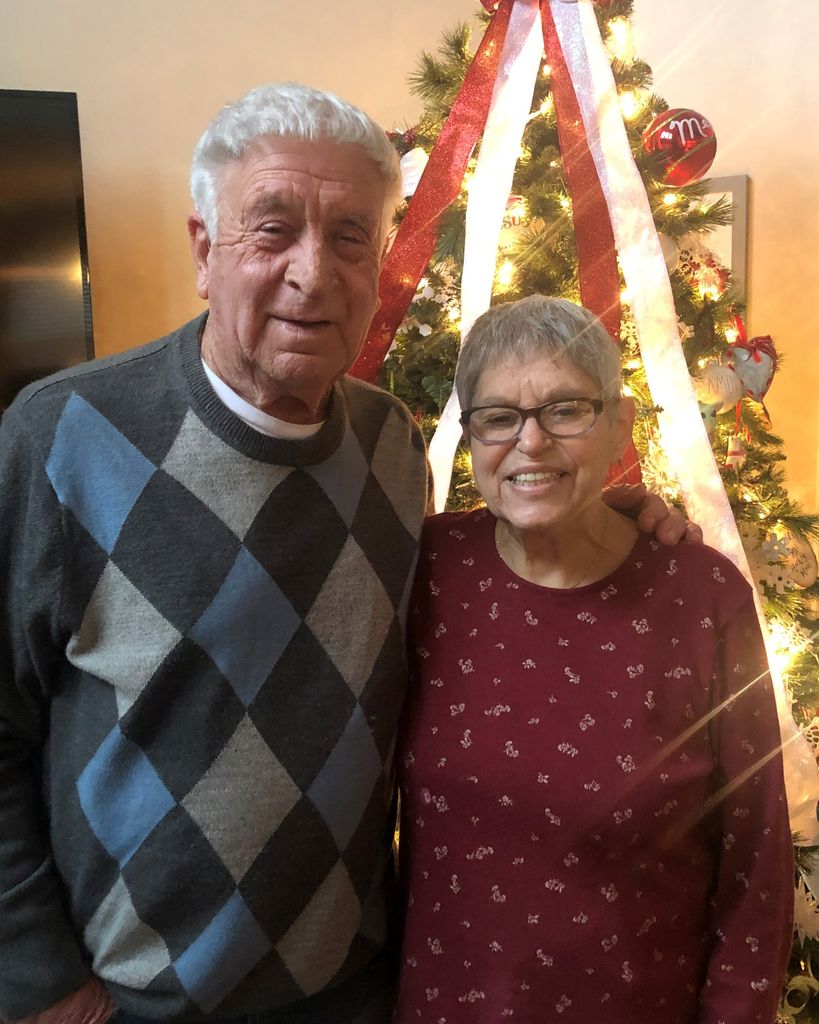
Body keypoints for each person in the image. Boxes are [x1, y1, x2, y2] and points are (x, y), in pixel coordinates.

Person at [0, 85, 691, 1024]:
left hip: (353, 990)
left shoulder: (393, 445)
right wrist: (43, 984)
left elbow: (480, 581)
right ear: (204, 251)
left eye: (351, 237)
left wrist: (606, 519)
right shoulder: (62, 437)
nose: (313, 272)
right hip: (131, 1003)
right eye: (272, 229)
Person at [394, 295, 793, 1024]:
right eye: (498, 417)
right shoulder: (427, 572)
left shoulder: (702, 598)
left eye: (565, 410)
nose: (530, 442)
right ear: (471, 435)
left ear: (619, 425)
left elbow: (756, 861)